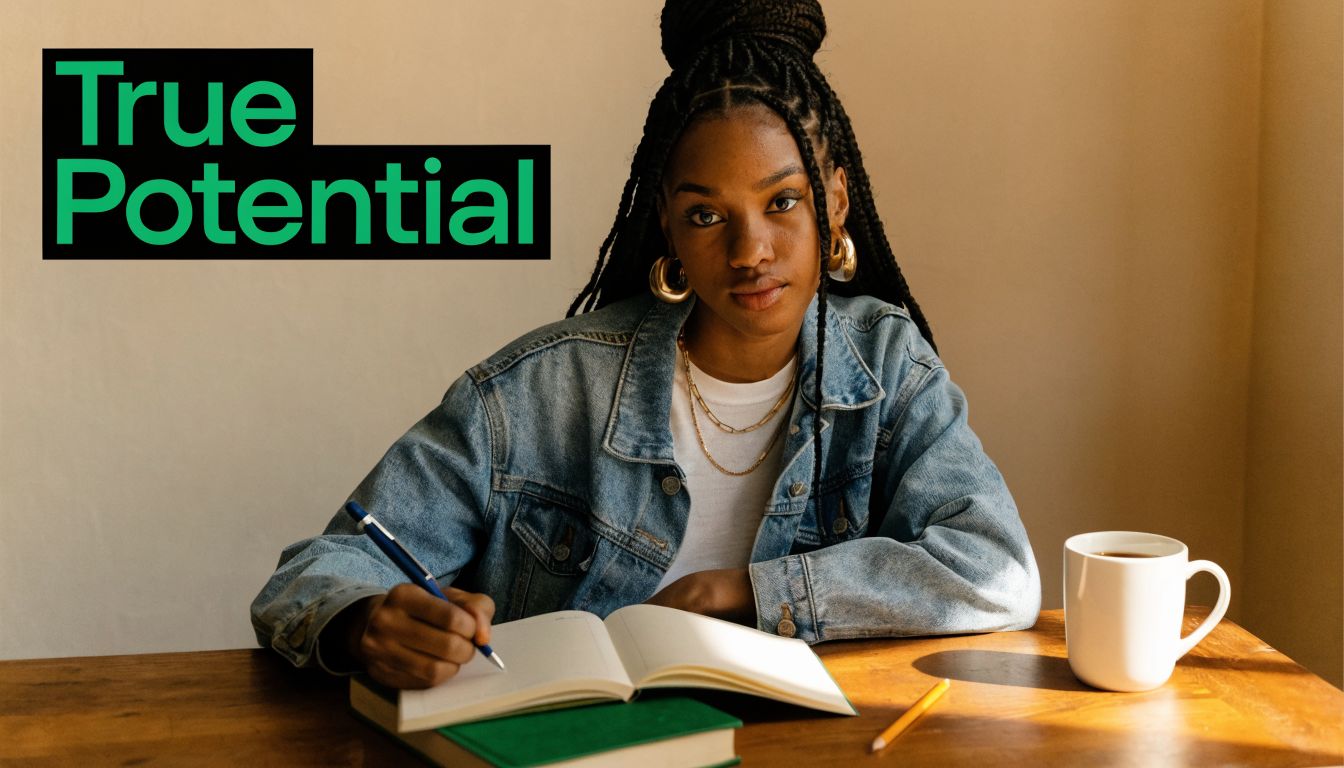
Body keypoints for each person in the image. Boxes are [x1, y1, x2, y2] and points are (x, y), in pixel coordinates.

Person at [251, 0, 1040, 691]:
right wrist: (363, 622)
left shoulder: (888, 369)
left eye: (783, 202)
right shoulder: (540, 390)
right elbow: (315, 574)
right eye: (706, 215)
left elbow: (995, 571)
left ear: (834, 201)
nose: (749, 250)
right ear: (665, 221)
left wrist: (746, 591)